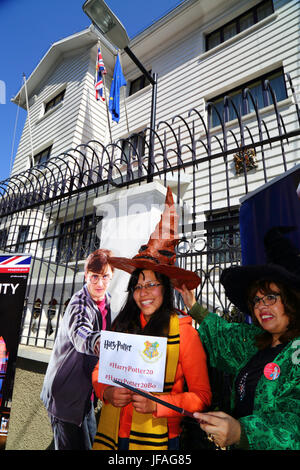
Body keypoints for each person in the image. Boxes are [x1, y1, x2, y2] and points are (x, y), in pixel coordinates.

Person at [92, 187, 212, 450]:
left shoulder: (184, 331)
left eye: (152, 285)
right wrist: (107, 392)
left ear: (165, 288)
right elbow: (100, 372)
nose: (143, 294)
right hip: (110, 438)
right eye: (137, 286)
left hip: (157, 443)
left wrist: (159, 404)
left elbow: (201, 397)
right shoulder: (123, 325)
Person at [177, 226, 300, 450]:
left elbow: (294, 425)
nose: (261, 306)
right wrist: (193, 306)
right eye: (256, 300)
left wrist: (242, 432)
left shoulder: (297, 352)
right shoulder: (254, 342)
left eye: (270, 297)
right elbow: (223, 334)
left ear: (291, 300)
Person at [40, 248, 114, 450]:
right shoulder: (79, 304)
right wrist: (97, 341)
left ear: (112, 276)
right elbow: (81, 333)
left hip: (85, 397)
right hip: (65, 397)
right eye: (94, 277)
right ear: (86, 276)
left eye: (105, 277)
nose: (99, 284)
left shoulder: (107, 302)